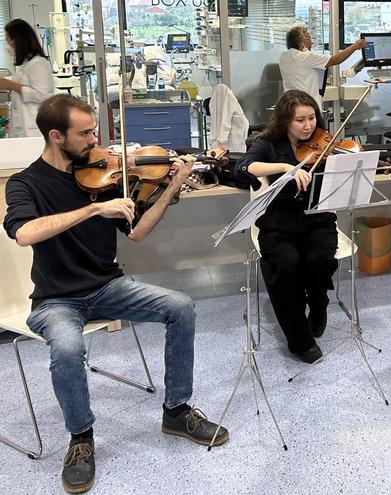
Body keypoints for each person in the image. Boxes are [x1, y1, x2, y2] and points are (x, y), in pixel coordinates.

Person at [3, 94, 229, 494]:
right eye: (85, 133)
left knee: (181, 306)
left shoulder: (101, 174)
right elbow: (23, 233)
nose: (96, 141)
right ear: (56, 136)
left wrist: (172, 184)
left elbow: (138, 232)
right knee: (69, 349)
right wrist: (92, 211)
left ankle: (176, 411)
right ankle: (81, 439)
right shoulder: (26, 183)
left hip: (107, 286)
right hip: (55, 298)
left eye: (94, 131)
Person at [234, 90, 338, 364]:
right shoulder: (269, 143)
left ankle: (318, 302)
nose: (308, 126)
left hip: (317, 218)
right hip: (280, 221)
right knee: (285, 265)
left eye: (312, 118)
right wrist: (284, 167)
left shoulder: (324, 142)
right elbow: (244, 167)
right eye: (300, 120)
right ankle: (299, 340)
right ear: (285, 121)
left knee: (319, 261)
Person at [280, 26, 366, 108]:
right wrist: (355, 46)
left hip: (290, 105)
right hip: (306, 106)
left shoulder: (284, 57)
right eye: (309, 38)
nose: (311, 42)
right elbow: (336, 59)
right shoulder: (305, 57)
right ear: (301, 42)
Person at [0, 19, 53, 137]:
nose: (7, 45)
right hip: (22, 128)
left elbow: (44, 96)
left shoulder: (38, 63)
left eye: (9, 39)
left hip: (34, 129)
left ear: (19, 40)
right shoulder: (25, 64)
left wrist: (11, 85)